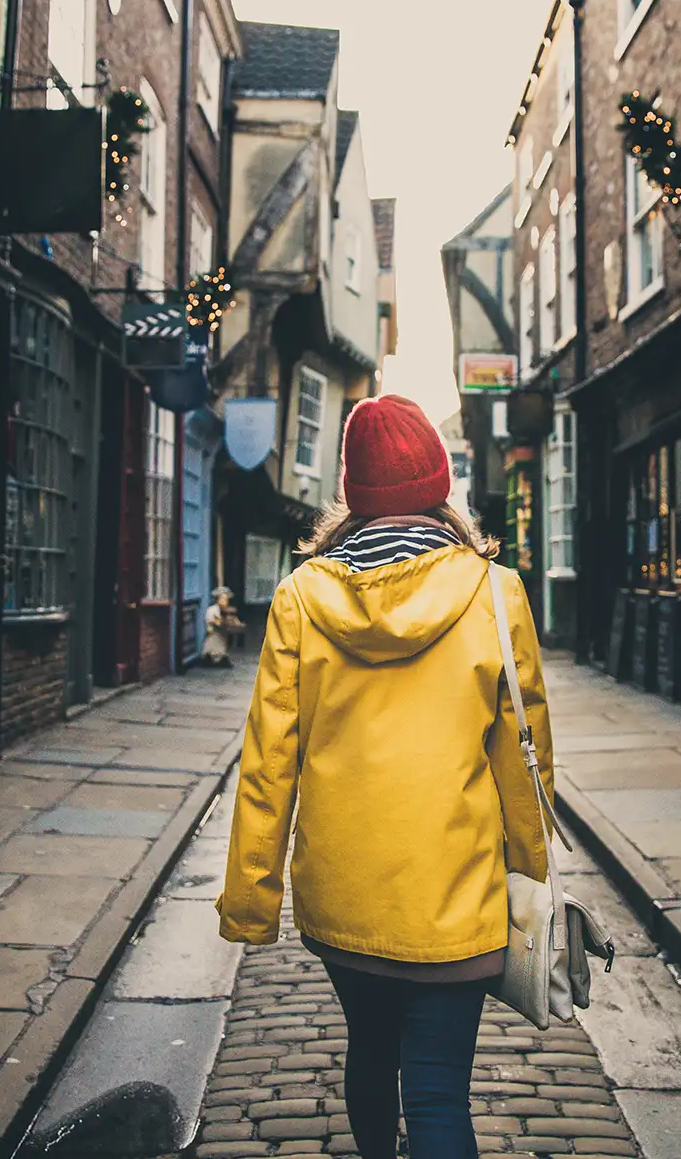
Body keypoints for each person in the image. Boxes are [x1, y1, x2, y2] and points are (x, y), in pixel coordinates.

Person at [216, 394, 554, 1159]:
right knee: (438, 1089)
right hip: (458, 891)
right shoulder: (495, 594)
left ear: (353, 496)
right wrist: (530, 874)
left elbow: (269, 763)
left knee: (369, 1054)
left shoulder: (303, 596)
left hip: (347, 892)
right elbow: (526, 759)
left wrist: (252, 899)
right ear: (438, 485)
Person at [202, 586, 243, 667]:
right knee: (214, 651)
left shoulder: (226, 610)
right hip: (214, 636)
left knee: (221, 650)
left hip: (222, 637)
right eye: (222, 599)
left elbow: (234, 621)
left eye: (226, 599)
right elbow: (214, 622)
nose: (225, 601)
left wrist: (236, 623)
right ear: (217, 599)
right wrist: (224, 622)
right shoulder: (212, 610)